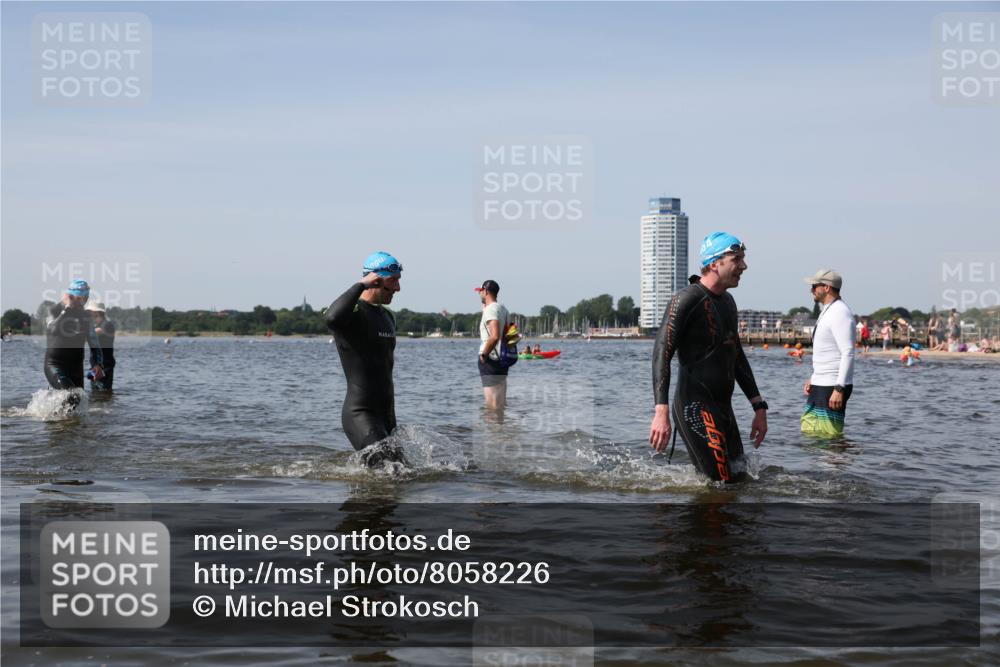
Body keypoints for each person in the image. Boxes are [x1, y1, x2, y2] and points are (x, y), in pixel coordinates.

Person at [649, 232, 768, 483]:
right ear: (715, 263)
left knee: (739, 480)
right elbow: (662, 353)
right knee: (719, 485)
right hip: (695, 406)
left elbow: (736, 355)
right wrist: (661, 411)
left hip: (724, 408)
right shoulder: (686, 300)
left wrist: (758, 406)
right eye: (737, 259)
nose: (744, 266)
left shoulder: (728, 302)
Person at [325, 251, 403, 467]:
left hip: (386, 414)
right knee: (391, 472)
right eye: (393, 281)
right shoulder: (353, 314)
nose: (398, 288)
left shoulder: (387, 316)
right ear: (375, 280)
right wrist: (361, 284)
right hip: (360, 413)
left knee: (401, 472)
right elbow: (331, 317)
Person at [801, 270, 855, 437]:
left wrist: (839, 388)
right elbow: (826, 351)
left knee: (829, 438)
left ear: (826, 287)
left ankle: (837, 463)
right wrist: (814, 377)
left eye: (814, 286)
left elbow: (848, 352)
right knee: (809, 432)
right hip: (821, 382)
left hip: (833, 385)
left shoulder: (840, 312)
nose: (811, 290)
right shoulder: (827, 310)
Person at [43, 280, 104, 405]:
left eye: (86, 298)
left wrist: (97, 364)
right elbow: (52, 329)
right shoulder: (55, 310)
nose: (83, 302)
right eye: (80, 298)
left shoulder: (85, 317)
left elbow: (94, 342)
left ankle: (65, 423)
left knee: (78, 403)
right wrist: (67, 309)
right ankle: (57, 422)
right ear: (70, 296)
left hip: (76, 368)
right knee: (72, 396)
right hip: (55, 365)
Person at [476, 279, 511, 410]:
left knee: (492, 405)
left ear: (485, 291)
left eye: (480, 291)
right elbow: (509, 336)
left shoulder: (491, 310)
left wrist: (484, 354)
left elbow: (495, 335)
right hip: (502, 359)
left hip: (491, 359)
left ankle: (493, 430)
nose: (479, 294)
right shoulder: (503, 309)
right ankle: (501, 430)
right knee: (500, 404)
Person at [85, 301, 116, 391]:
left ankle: (105, 404)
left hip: (105, 365)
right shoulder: (97, 325)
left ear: (96, 312)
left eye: (90, 311)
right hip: (95, 366)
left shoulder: (107, 325)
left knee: (103, 390)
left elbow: (93, 334)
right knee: (95, 393)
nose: (88, 313)